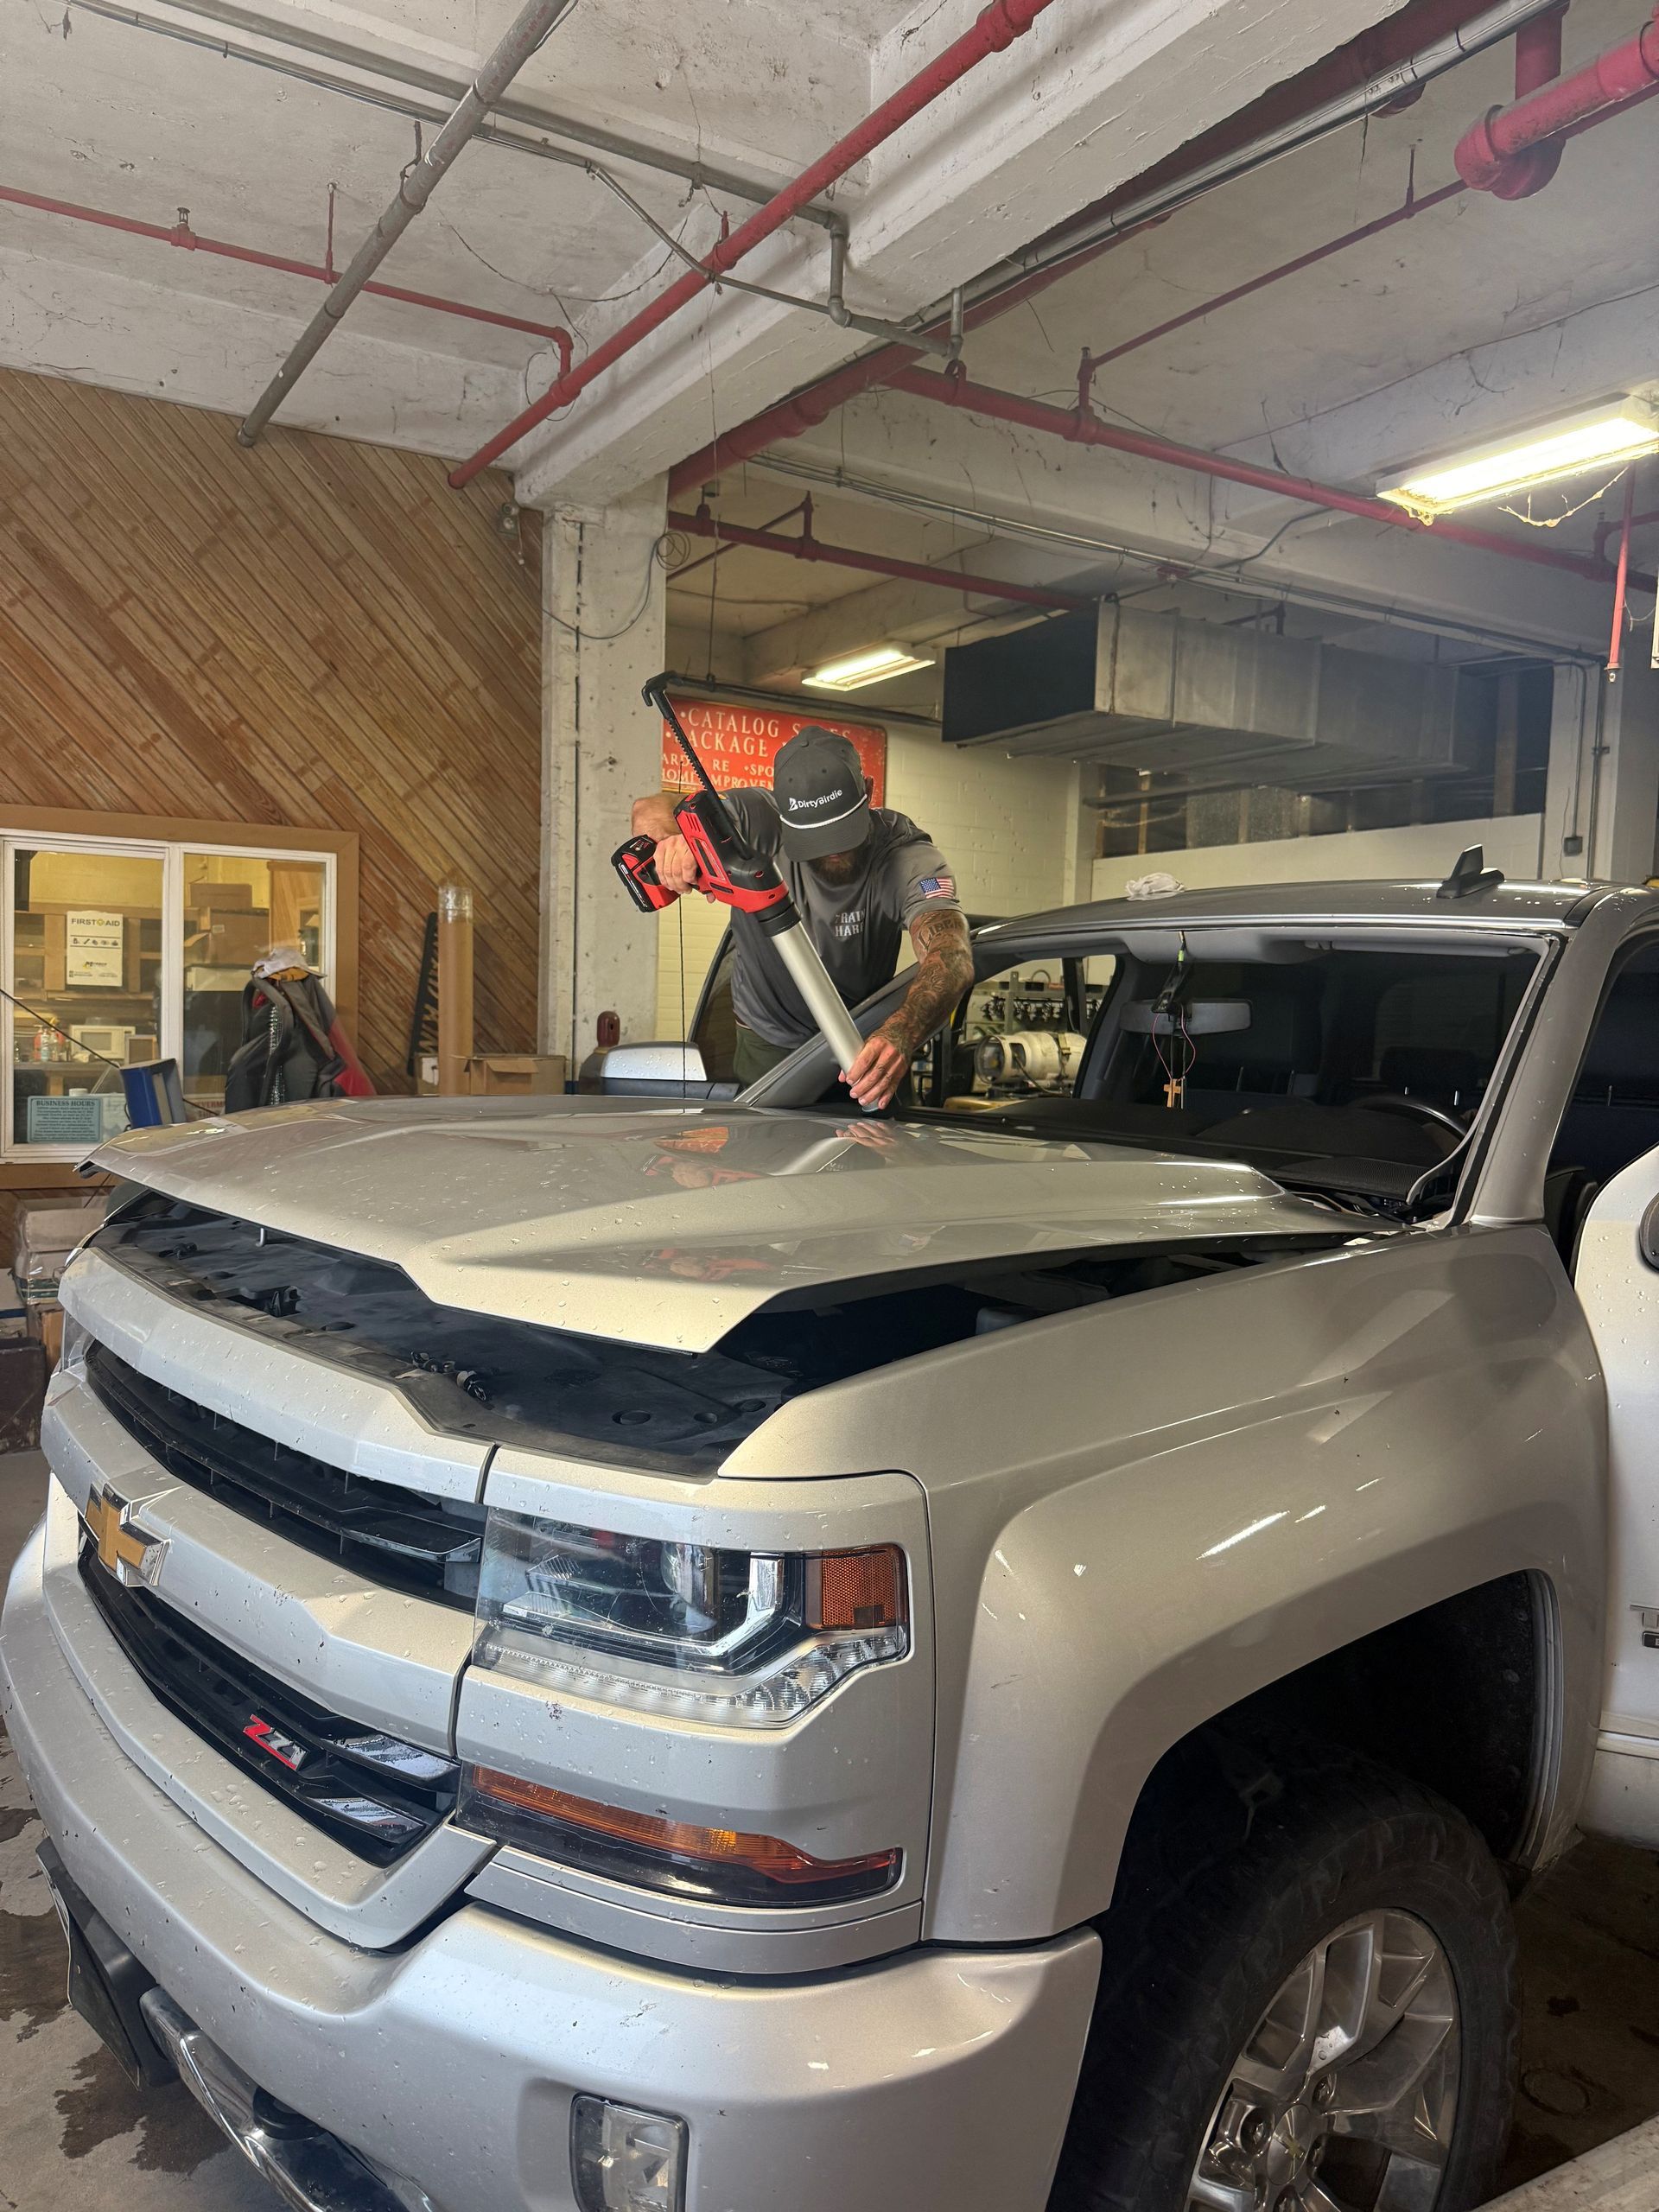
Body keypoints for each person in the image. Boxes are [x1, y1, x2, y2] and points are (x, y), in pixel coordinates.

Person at [631, 726, 974, 1110]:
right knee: (768, 1158)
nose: (831, 854)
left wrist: (903, 1031)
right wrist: (672, 842)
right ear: (783, 808)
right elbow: (649, 810)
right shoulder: (755, 817)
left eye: (842, 836)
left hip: (867, 1041)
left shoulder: (905, 855)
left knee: (883, 1155)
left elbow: (952, 956)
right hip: (770, 1042)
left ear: (869, 790)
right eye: (814, 841)